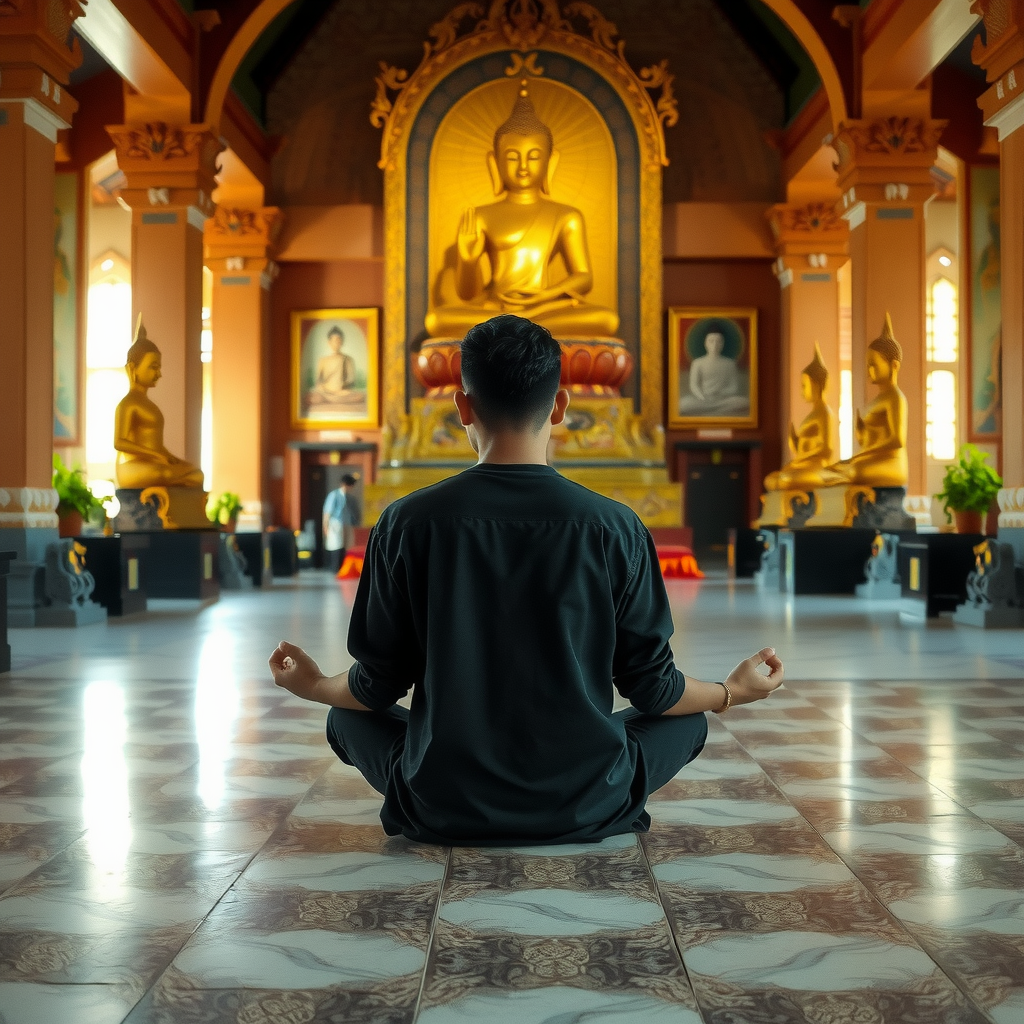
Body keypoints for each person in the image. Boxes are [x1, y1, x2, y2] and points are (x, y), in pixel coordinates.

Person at [271, 315, 783, 846]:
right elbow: (654, 691)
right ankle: (585, 796)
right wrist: (731, 691)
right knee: (691, 720)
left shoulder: (405, 522)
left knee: (346, 719)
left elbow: (374, 687)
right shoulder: (616, 527)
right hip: (587, 797)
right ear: (560, 406)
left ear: (463, 407)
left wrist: (312, 687)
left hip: (442, 801)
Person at [680, 330, 749, 416]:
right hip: (703, 399)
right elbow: (694, 386)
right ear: (705, 343)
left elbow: (733, 387)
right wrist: (702, 397)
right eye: (711, 341)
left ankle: (710, 410)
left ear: (723, 344)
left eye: (718, 341)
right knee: (682, 404)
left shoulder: (729, 363)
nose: (715, 345)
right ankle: (718, 410)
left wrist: (720, 393)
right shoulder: (698, 363)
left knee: (745, 402)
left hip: (723, 399)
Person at [307, 326, 356, 407]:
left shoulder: (348, 359)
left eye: (338, 340)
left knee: (359, 396)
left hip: (342, 393)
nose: (336, 343)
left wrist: (342, 388)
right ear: (329, 342)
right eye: (334, 340)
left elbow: (351, 381)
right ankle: (333, 400)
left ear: (342, 342)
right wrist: (324, 389)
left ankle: (332, 400)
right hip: (326, 393)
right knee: (310, 397)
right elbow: (318, 382)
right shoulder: (323, 360)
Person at [321, 474, 357, 574]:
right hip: (336, 523)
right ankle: (335, 568)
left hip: (346, 523)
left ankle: (342, 568)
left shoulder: (348, 497)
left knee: (346, 546)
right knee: (336, 545)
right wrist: (325, 526)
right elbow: (327, 512)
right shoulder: (334, 495)